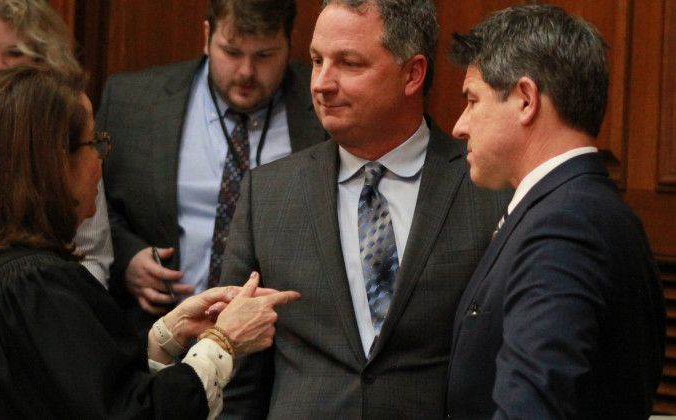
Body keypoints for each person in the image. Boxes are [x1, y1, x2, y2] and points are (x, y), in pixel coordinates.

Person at [0, 64, 300, 419]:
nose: (101, 161)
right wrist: (224, 341)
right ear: (55, 165)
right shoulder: (33, 285)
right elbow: (133, 415)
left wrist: (165, 337)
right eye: (95, 143)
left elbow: (81, 392)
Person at [217, 0, 511, 418]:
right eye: (317, 61)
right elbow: (239, 380)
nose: (321, 82)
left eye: (349, 64)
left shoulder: (488, 188)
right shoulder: (268, 194)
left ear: (412, 74)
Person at [444, 5, 665, 419]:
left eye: (472, 100)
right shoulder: (589, 208)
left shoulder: (566, 225)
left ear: (526, 100)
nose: (459, 126)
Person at [96, 0, 327, 337]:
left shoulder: (325, 107)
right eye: (232, 52)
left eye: (264, 55)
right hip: (156, 336)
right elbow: (92, 208)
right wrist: (126, 258)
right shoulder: (133, 102)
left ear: (291, 42)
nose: (247, 71)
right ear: (207, 36)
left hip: (278, 344)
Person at [0, 0, 113, 311]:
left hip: (31, 322)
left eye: (14, 53)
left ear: (43, 60)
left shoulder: (68, 129)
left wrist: (53, 321)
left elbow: (91, 255)